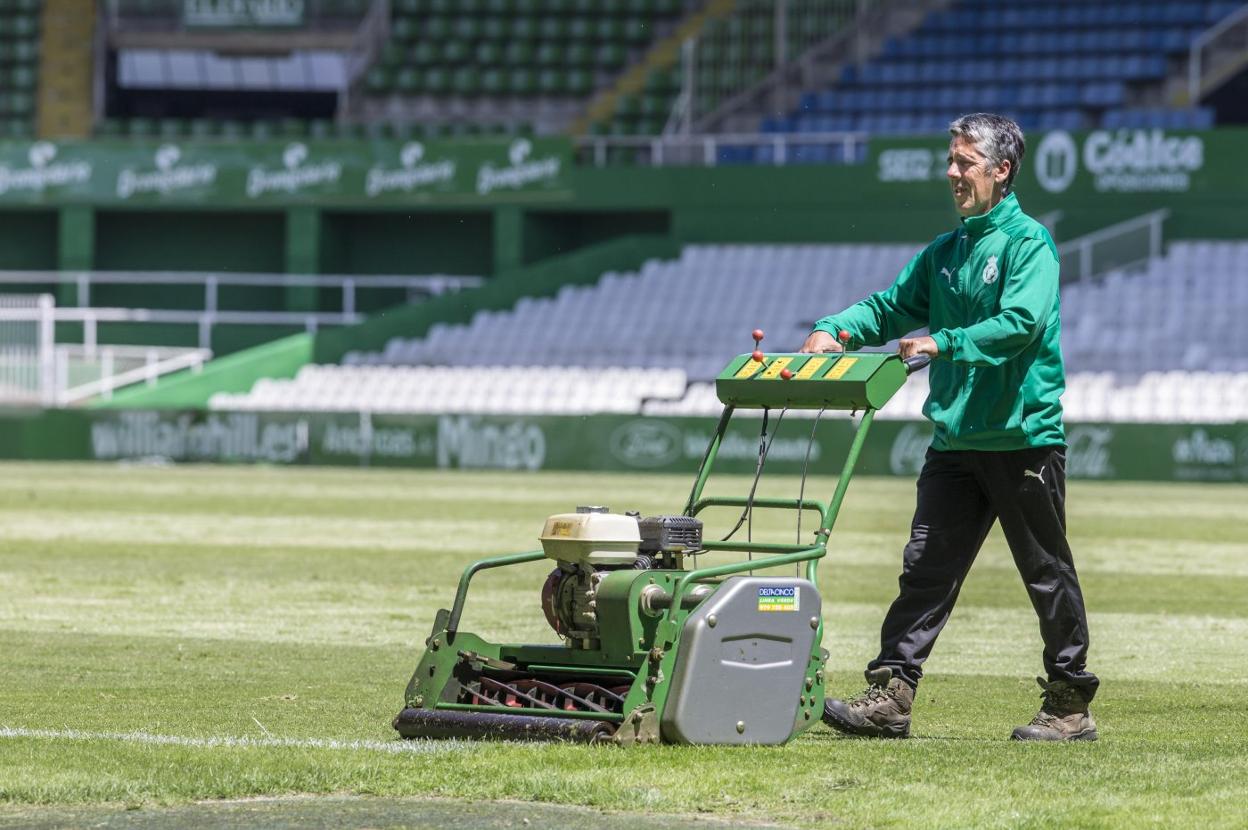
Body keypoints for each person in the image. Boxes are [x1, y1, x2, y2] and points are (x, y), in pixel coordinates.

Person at [799, 112, 1098, 741]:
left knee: (1046, 573)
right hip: (956, 443)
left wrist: (943, 342)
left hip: (1022, 440)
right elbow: (887, 305)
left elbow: (1020, 322)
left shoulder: (1029, 244)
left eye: (964, 162)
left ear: (1001, 170)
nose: (952, 173)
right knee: (926, 567)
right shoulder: (946, 251)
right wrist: (839, 327)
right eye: (951, 161)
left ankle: (1070, 704)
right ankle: (891, 697)